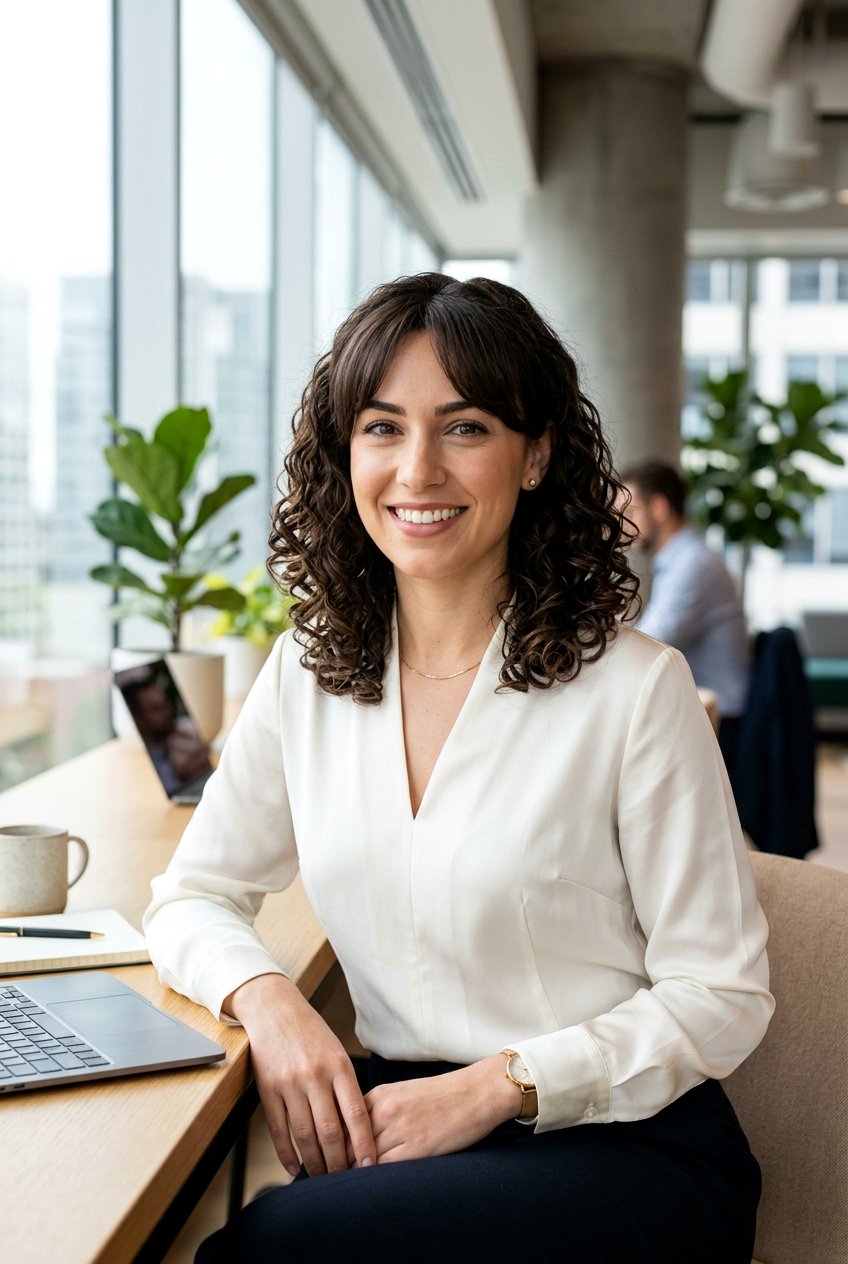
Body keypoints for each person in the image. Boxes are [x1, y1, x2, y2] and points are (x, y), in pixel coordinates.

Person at [143, 274, 773, 1263]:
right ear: (343, 456)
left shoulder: (635, 690)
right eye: (382, 428)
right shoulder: (308, 677)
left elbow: (721, 992)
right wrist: (269, 1000)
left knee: (274, 1245)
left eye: (465, 427)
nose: (417, 469)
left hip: (613, 1148)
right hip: (402, 1133)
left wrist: (497, 1085)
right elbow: (190, 895)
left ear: (535, 455)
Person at [619, 459, 751, 761]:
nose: (622, 524)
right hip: (707, 712)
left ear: (660, 509)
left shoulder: (692, 564)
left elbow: (650, 644)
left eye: (629, 512)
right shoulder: (681, 560)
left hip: (722, 720)